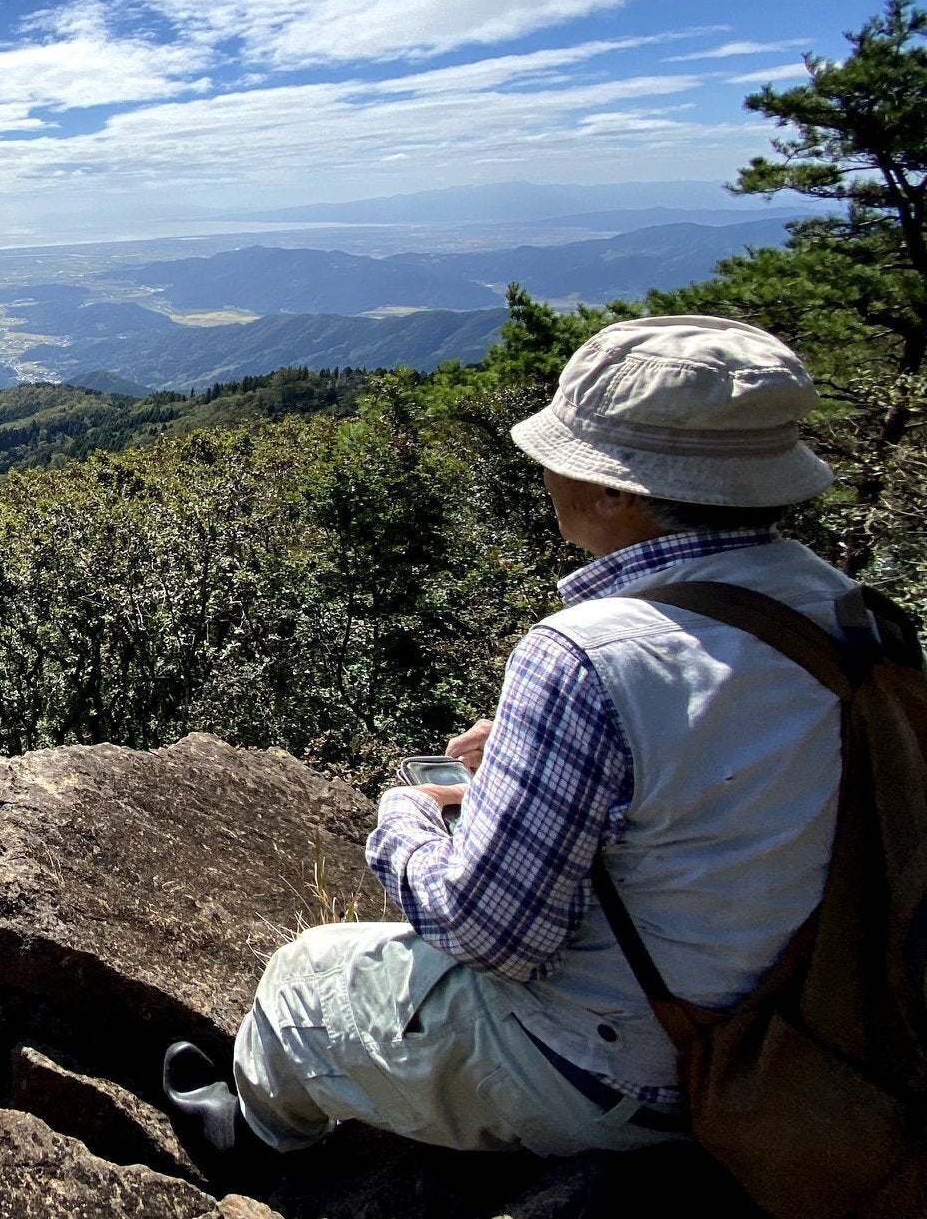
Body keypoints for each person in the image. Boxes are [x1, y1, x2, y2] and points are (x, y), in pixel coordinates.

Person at [164, 314, 866, 1161]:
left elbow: (488, 932)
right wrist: (545, 767)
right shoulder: (854, 618)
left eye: (565, 452)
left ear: (617, 491)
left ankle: (255, 1138)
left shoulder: (585, 657)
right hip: (832, 1041)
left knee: (303, 977)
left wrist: (405, 817)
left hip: (641, 1077)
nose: (545, 470)